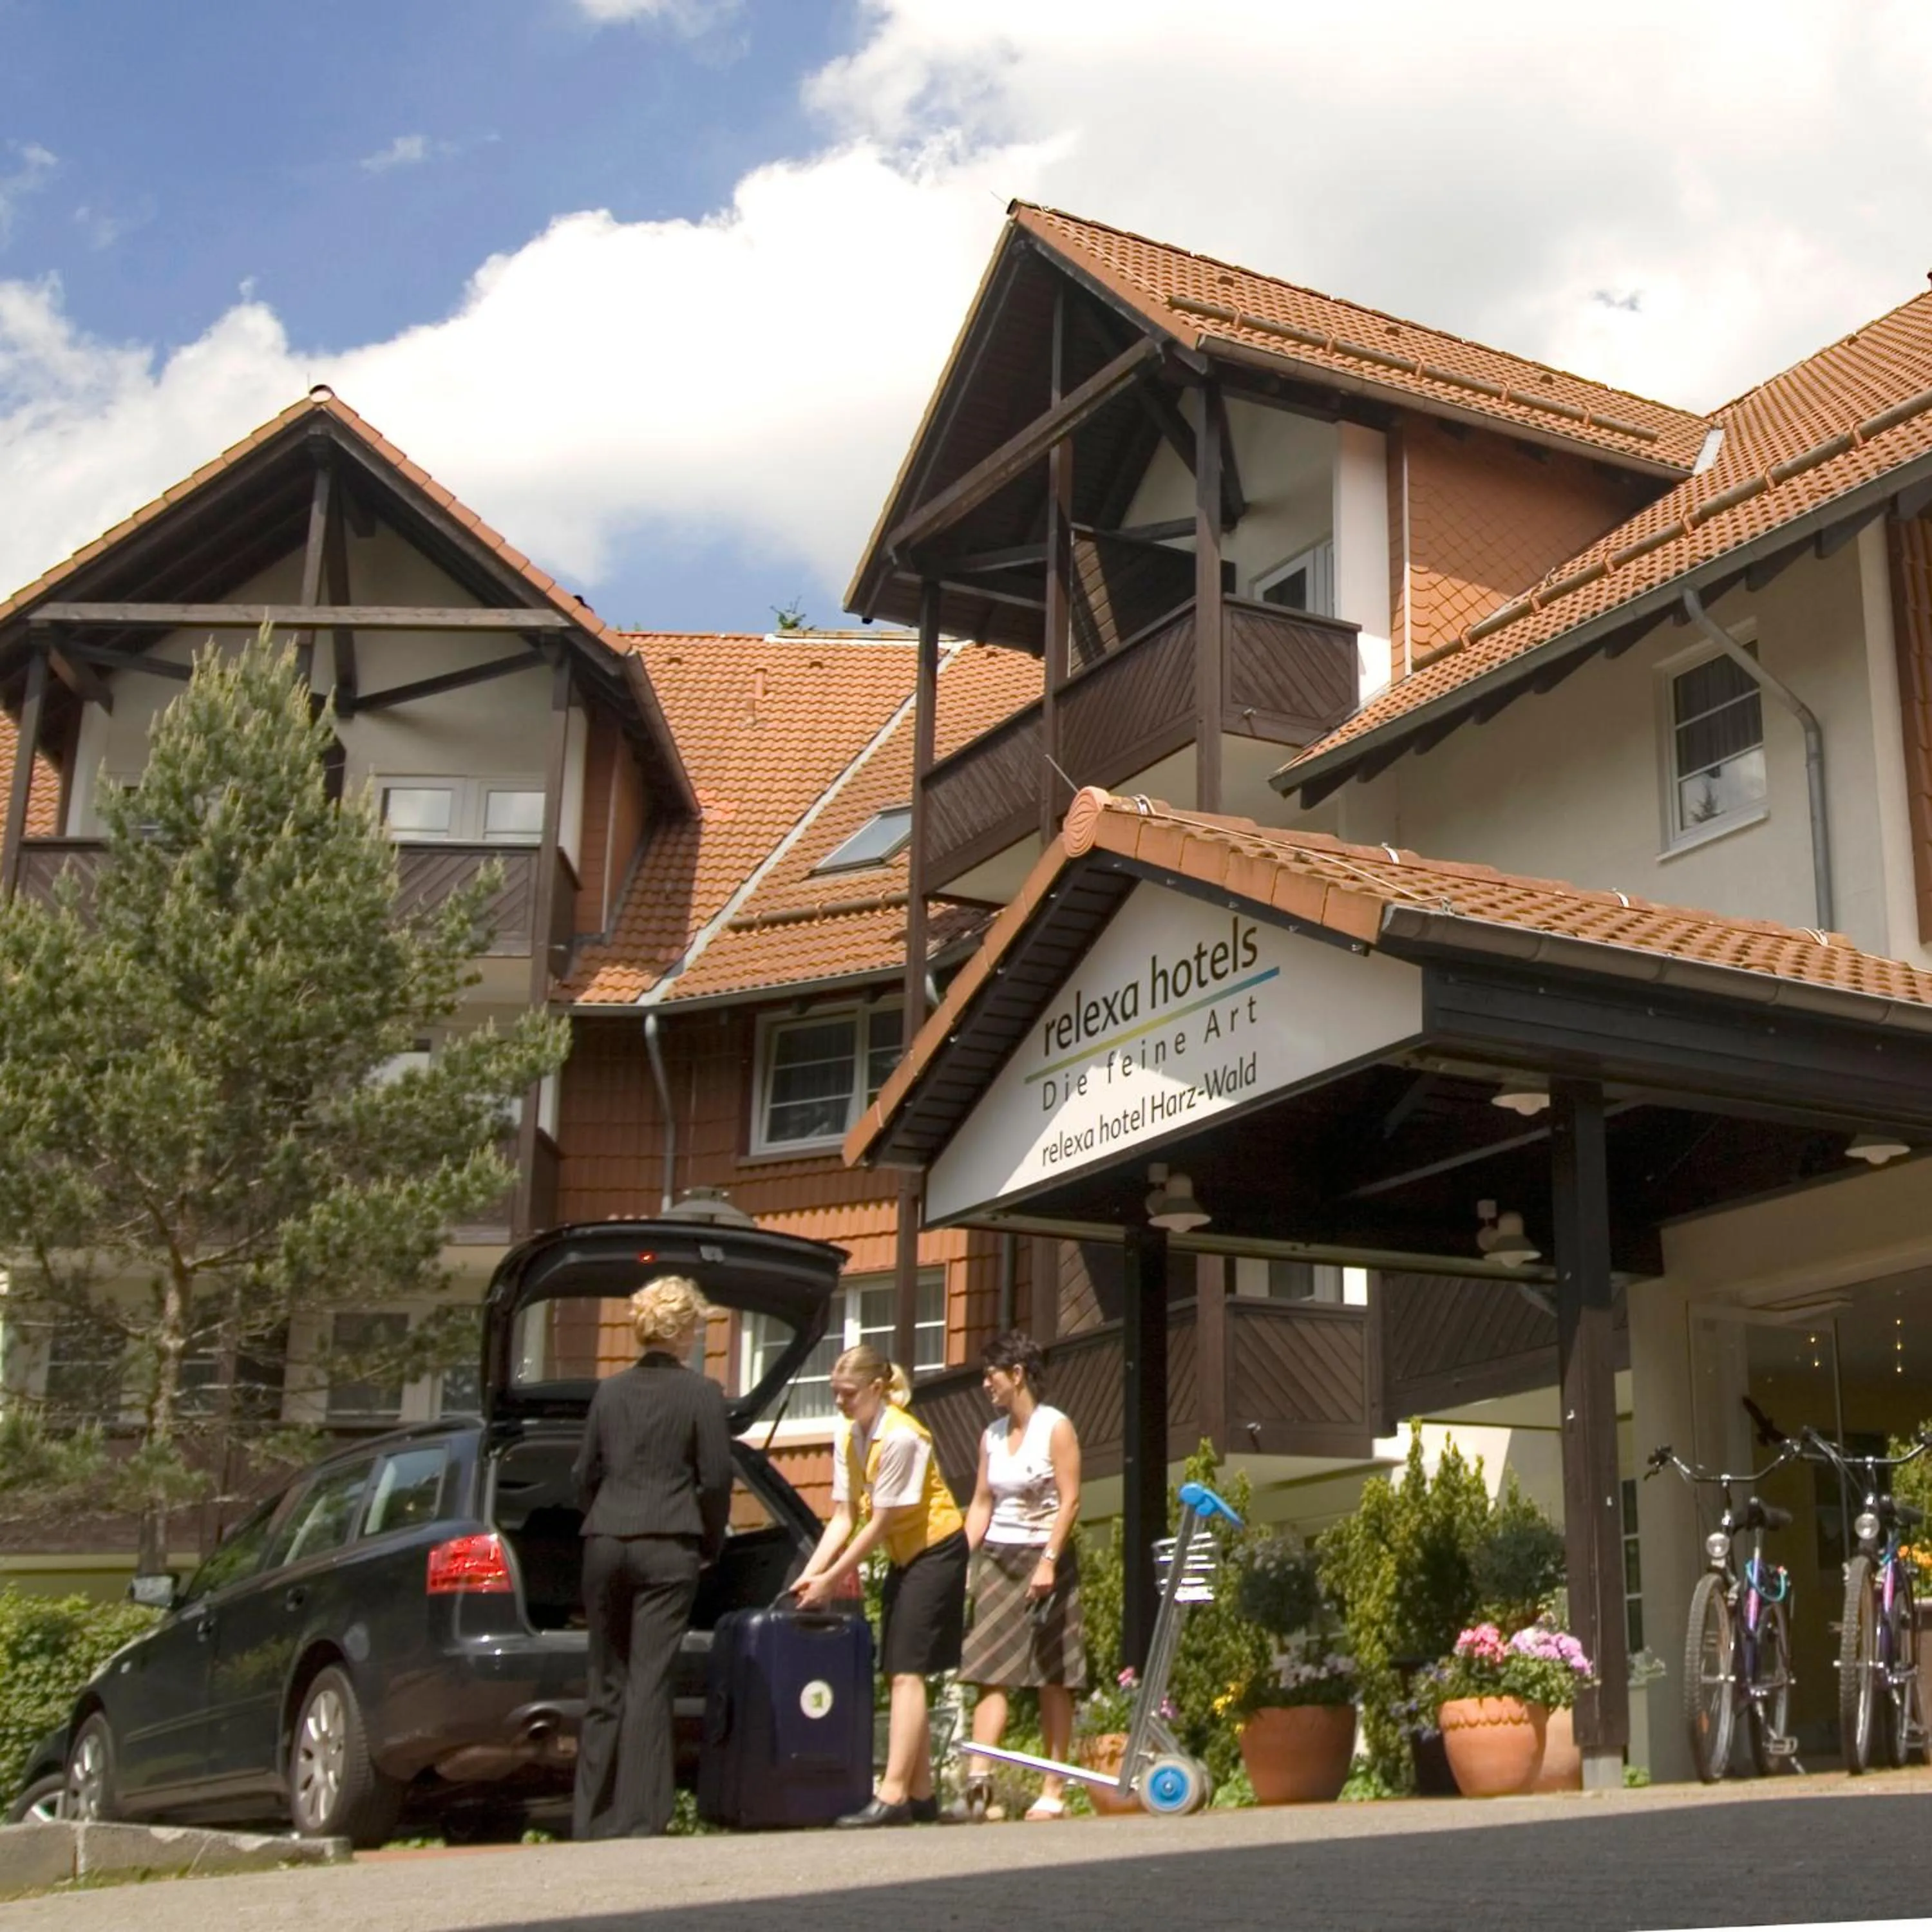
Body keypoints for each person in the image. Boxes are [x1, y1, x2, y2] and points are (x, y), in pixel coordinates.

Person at [571, 1274, 731, 1840]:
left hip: (606, 1540)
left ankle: (591, 1818)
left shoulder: (608, 1393)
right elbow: (715, 1479)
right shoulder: (701, 1394)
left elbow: (585, 1474)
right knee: (648, 1680)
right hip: (669, 1542)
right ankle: (639, 1819)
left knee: (605, 1679)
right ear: (684, 1328)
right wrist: (710, 1541)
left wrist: (604, 1519)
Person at [790, 1341, 968, 1827]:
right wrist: (814, 1571)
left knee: (908, 1670)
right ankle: (923, 1797)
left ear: (876, 1388)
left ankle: (892, 1797)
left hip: (938, 1548)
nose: (840, 1402)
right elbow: (844, 1516)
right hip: (904, 1554)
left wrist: (832, 1580)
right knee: (897, 1669)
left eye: (847, 1393)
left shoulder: (902, 1437)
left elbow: (880, 1524)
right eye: (834, 1393)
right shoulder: (849, 1434)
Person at [954, 1331, 1084, 1821]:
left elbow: (1070, 1499)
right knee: (989, 1671)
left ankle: (1053, 1790)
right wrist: (961, 1560)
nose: (986, 1383)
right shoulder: (990, 1435)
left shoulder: (1056, 1427)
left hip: (1046, 1554)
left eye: (992, 1374)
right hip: (998, 1556)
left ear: (1018, 1375)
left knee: (1053, 1674)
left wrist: (1049, 1560)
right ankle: (979, 1787)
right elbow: (982, 1503)